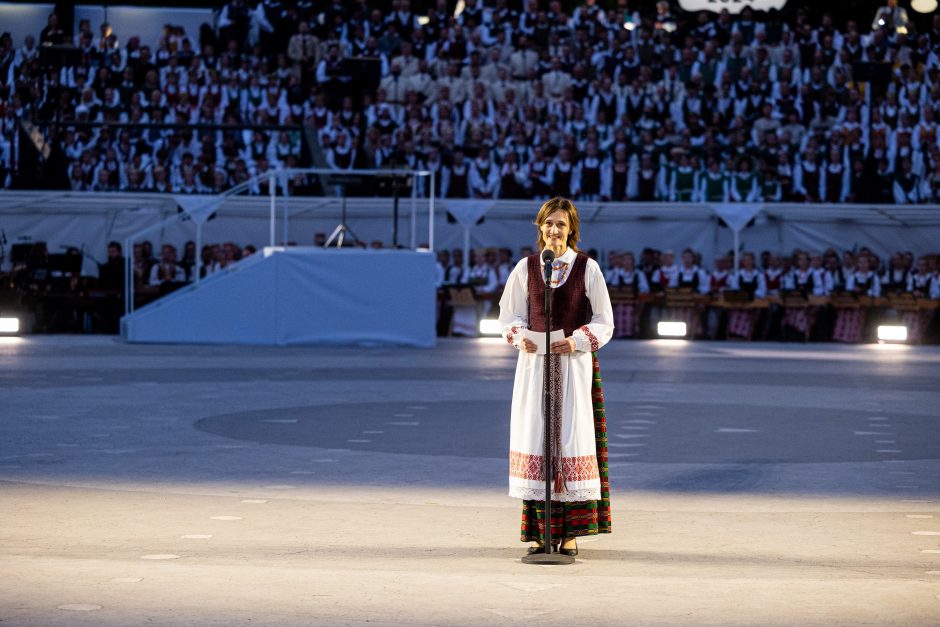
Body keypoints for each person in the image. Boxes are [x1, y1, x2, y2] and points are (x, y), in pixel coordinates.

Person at [498, 197, 614, 557]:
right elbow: (509, 316)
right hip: (535, 369)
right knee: (538, 440)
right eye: (548, 224)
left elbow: (604, 321)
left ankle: (570, 534)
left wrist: (577, 341)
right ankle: (538, 532)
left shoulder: (587, 268)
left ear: (571, 229)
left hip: (572, 367)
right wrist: (520, 337)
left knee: (569, 440)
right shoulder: (527, 267)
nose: (553, 231)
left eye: (560, 224)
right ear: (540, 228)